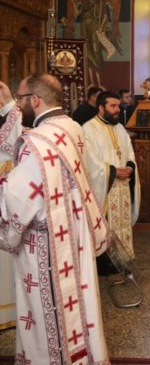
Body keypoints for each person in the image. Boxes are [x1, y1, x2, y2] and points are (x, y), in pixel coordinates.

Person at [0, 73, 110, 363]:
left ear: (35, 100)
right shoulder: (71, 127)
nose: (18, 105)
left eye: (21, 99)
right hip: (74, 234)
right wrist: (8, 104)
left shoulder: (36, 142)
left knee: (48, 312)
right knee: (80, 306)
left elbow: (18, 198)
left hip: (46, 242)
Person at [83, 91, 140, 258]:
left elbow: (129, 151)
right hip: (105, 187)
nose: (117, 110)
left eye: (118, 106)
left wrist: (130, 167)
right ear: (101, 108)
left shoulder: (120, 128)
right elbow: (90, 160)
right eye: (113, 106)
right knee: (106, 225)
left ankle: (124, 258)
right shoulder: (88, 129)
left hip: (123, 187)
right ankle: (107, 262)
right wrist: (114, 172)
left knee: (123, 224)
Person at [0, 81, 21, 331]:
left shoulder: (11, 116)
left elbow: (16, 136)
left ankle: (8, 308)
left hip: (5, 191)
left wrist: (8, 101)